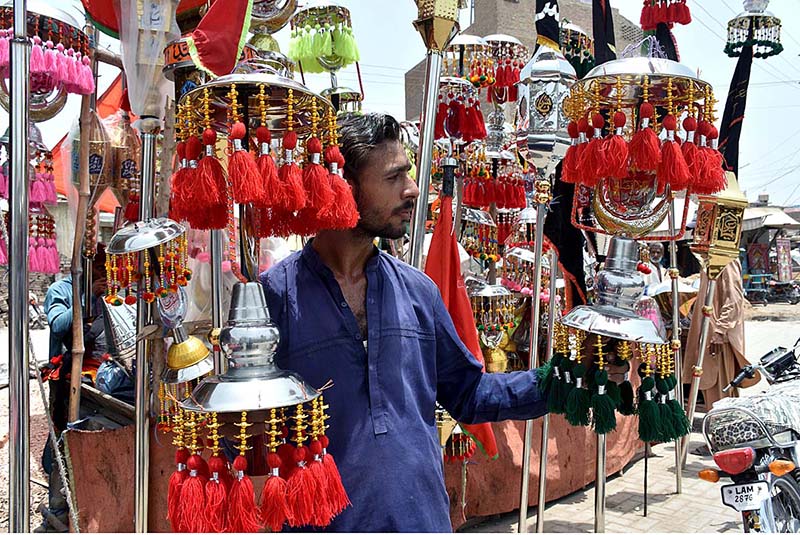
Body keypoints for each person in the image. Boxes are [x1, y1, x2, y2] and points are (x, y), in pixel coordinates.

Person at [259, 113, 549, 532]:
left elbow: (468, 393)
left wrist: (560, 382)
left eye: (408, 174)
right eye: (394, 177)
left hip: (423, 521)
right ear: (342, 184)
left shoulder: (420, 292)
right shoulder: (277, 297)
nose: (413, 190)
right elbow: (245, 436)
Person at [36, 246, 108, 533]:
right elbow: (58, 325)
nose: (105, 277)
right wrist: (87, 296)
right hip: (67, 378)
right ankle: (55, 514)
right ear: (85, 270)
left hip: (96, 379)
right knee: (62, 444)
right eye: (100, 271)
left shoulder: (106, 293)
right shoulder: (60, 290)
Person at [681, 258, 757, 407]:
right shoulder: (708, 260)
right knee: (708, 390)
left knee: (720, 396)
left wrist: (719, 332)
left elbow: (734, 300)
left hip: (717, 341)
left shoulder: (726, 259)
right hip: (707, 337)